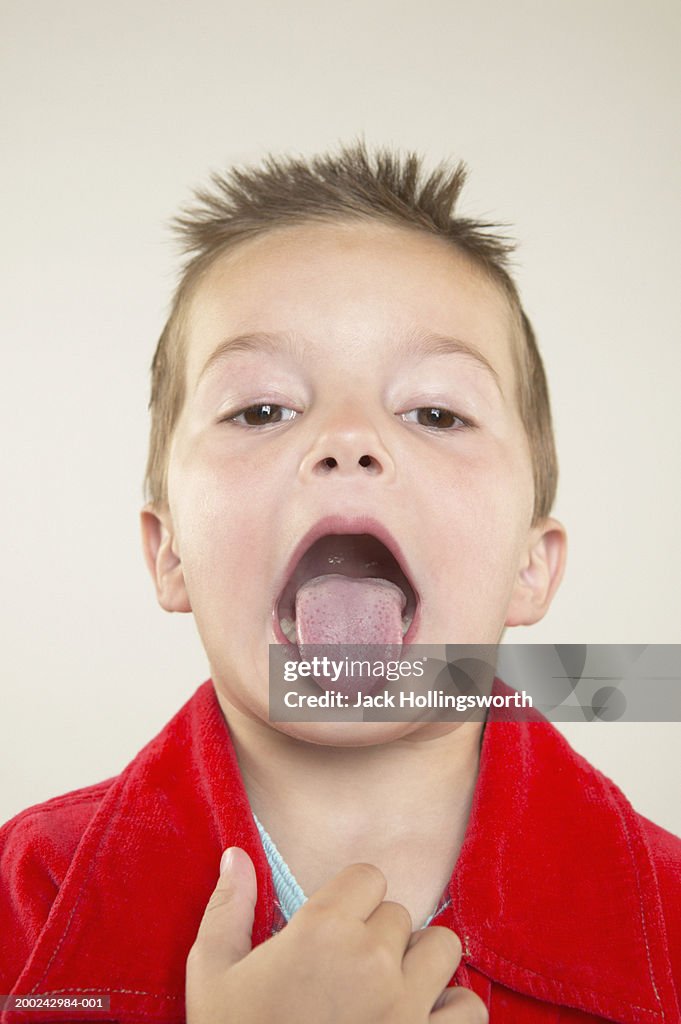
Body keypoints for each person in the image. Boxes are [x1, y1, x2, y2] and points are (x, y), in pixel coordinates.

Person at [1, 141, 679, 1024]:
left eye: (435, 411)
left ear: (528, 566)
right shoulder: (28, 906)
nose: (350, 438)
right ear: (171, 555)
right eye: (262, 409)